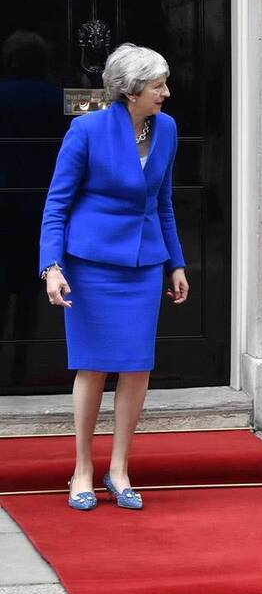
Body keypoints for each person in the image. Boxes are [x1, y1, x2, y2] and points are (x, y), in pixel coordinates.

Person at [39, 43, 188, 511]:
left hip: (143, 265)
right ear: (130, 90)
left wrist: (176, 262)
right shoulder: (85, 131)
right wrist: (52, 267)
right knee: (93, 365)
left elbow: (162, 202)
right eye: (157, 85)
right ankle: (82, 467)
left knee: (137, 366)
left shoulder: (166, 129)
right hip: (91, 265)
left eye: (164, 83)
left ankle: (119, 468)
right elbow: (56, 205)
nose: (166, 92)